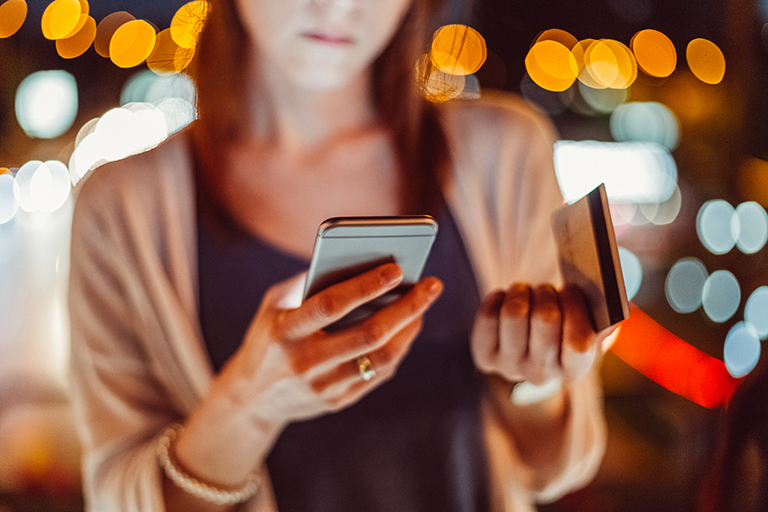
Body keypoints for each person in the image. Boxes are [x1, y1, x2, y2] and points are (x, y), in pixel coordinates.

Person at [68, 0, 610, 510]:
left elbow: (560, 466)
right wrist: (247, 407)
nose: (337, 7)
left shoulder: (507, 153)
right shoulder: (122, 209)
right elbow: (116, 495)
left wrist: (534, 378)